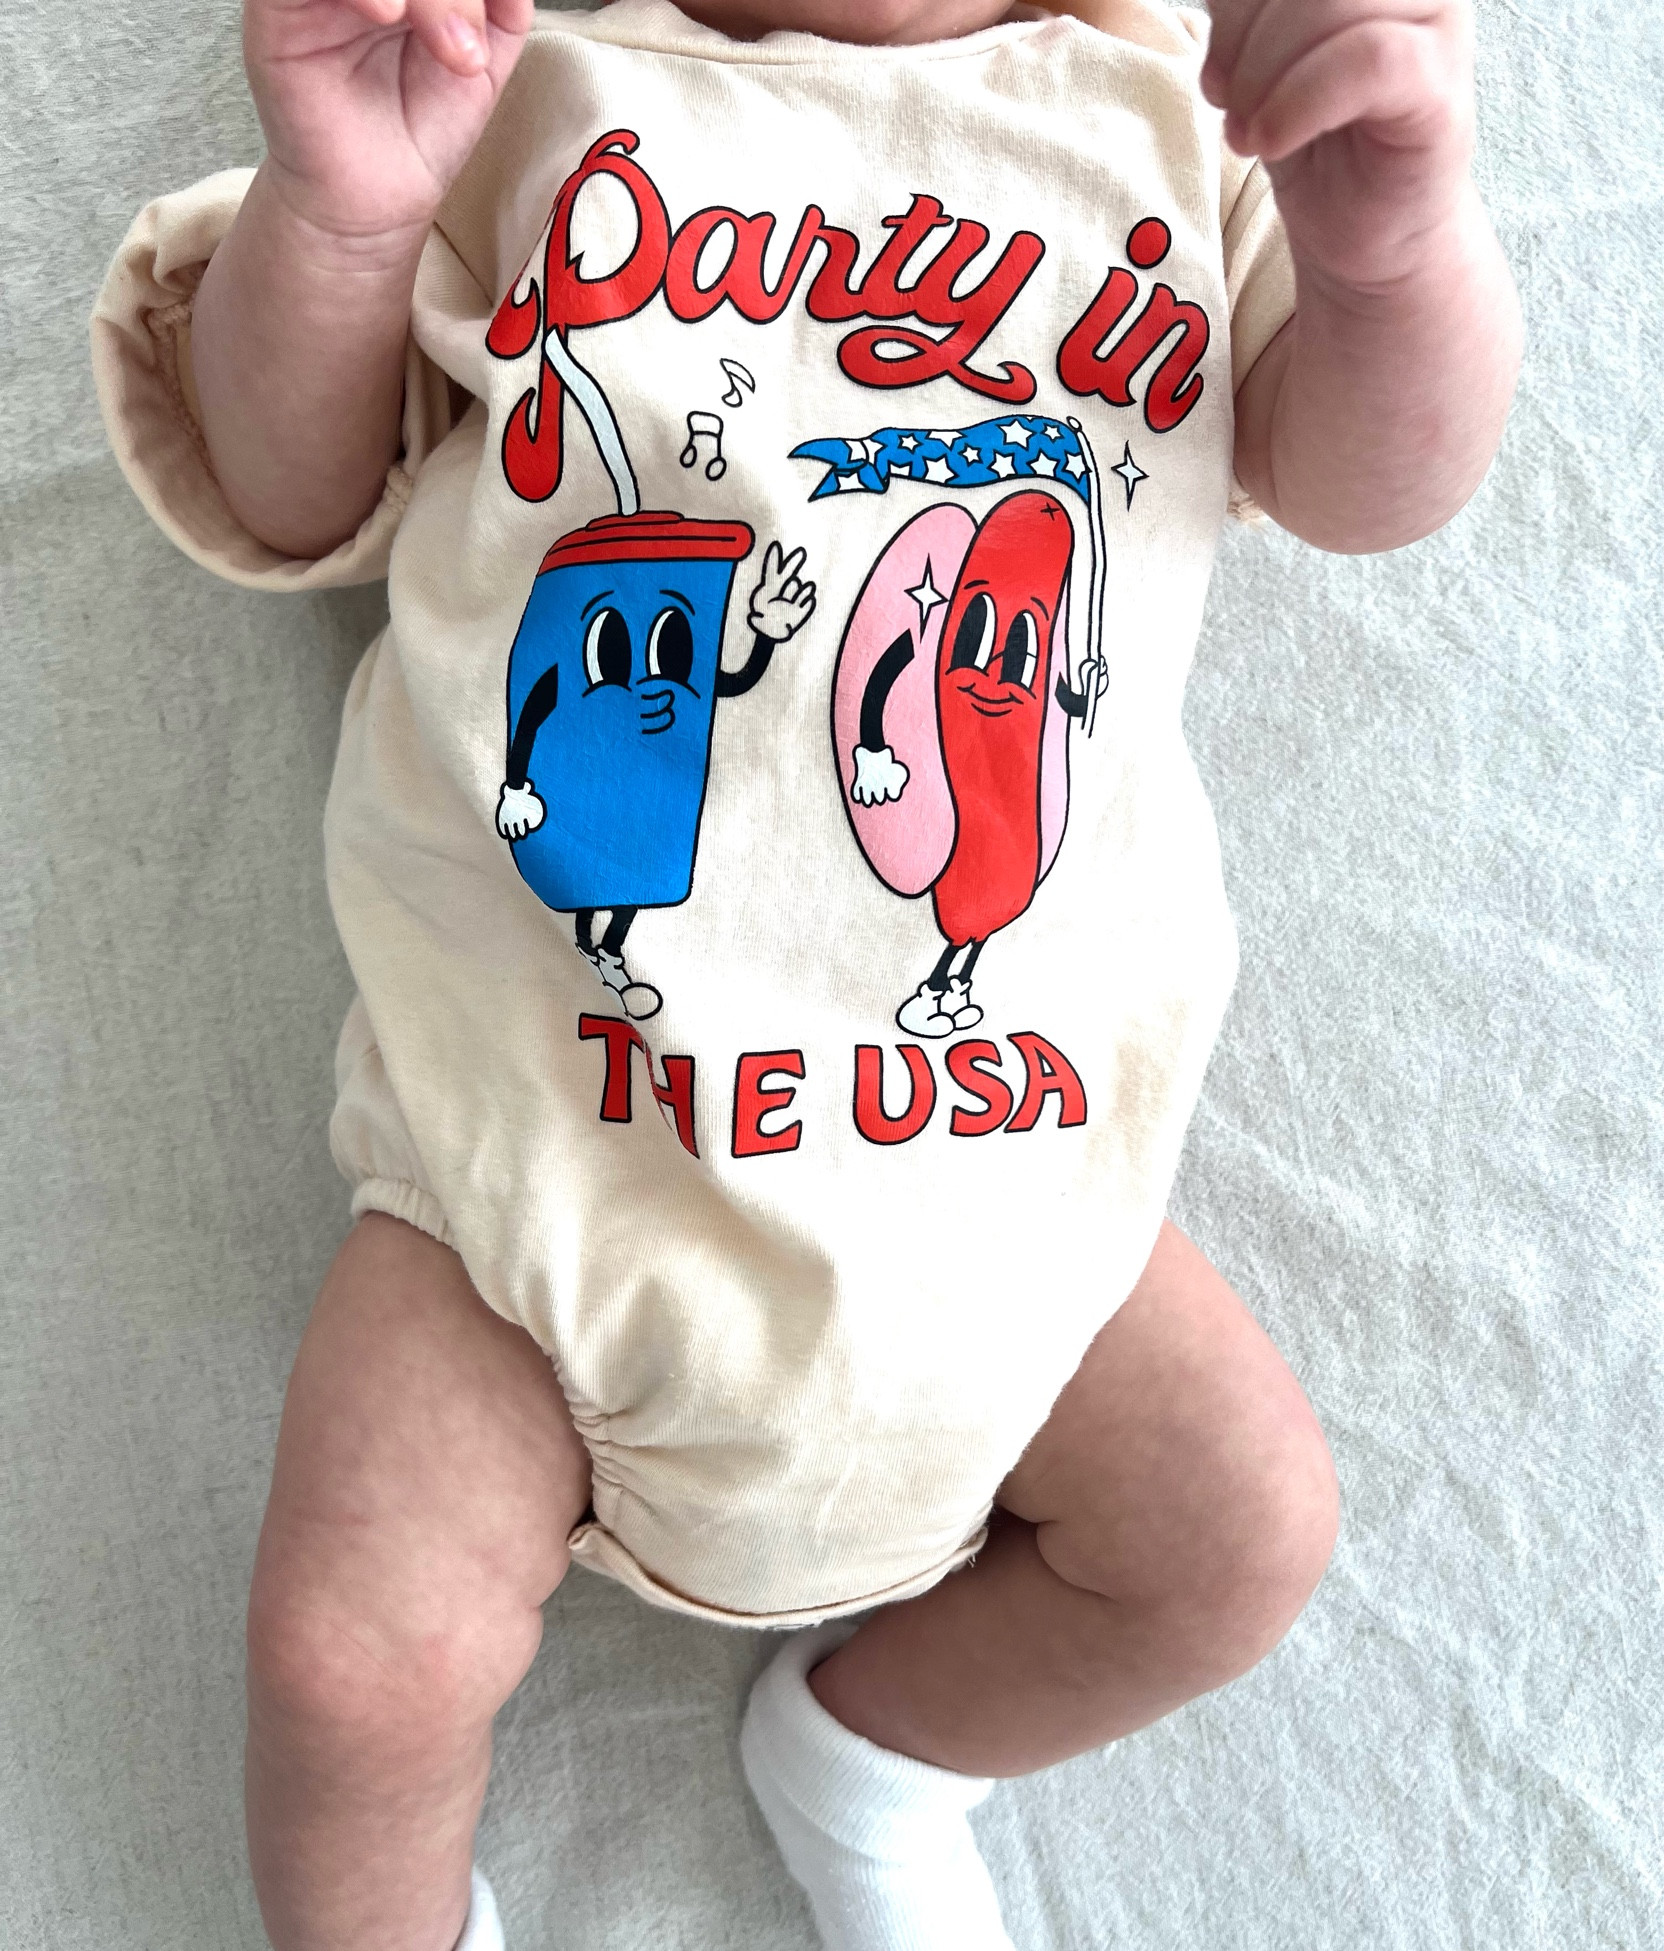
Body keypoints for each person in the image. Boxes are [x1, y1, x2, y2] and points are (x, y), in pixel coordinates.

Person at [90, 0, 1520, 1942]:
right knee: (353, 1662)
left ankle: (877, 1753)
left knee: (1236, 1539)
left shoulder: (1172, 119)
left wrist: (1390, 243)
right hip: (541, 1184)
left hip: (1009, 1190)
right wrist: (340, 213)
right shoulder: (515, 88)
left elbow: (1375, 482)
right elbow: (283, 483)